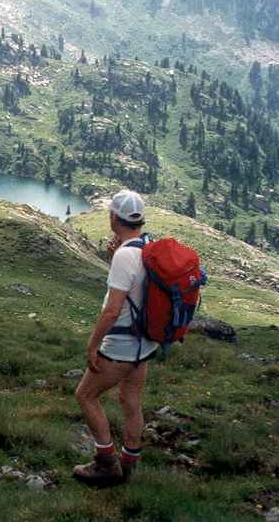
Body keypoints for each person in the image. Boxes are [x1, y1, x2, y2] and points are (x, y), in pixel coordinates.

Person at [72, 190, 159, 487]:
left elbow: (112, 309)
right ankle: (129, 465)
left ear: (114, 217)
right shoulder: (148, 246)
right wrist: (114, 260)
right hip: (144, 342)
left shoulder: (125, 255)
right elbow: (136, 289)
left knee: (85, 396)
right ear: (140, 219)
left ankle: (106, 463)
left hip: (121, 344)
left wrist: (92, 344)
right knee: (131, 401)